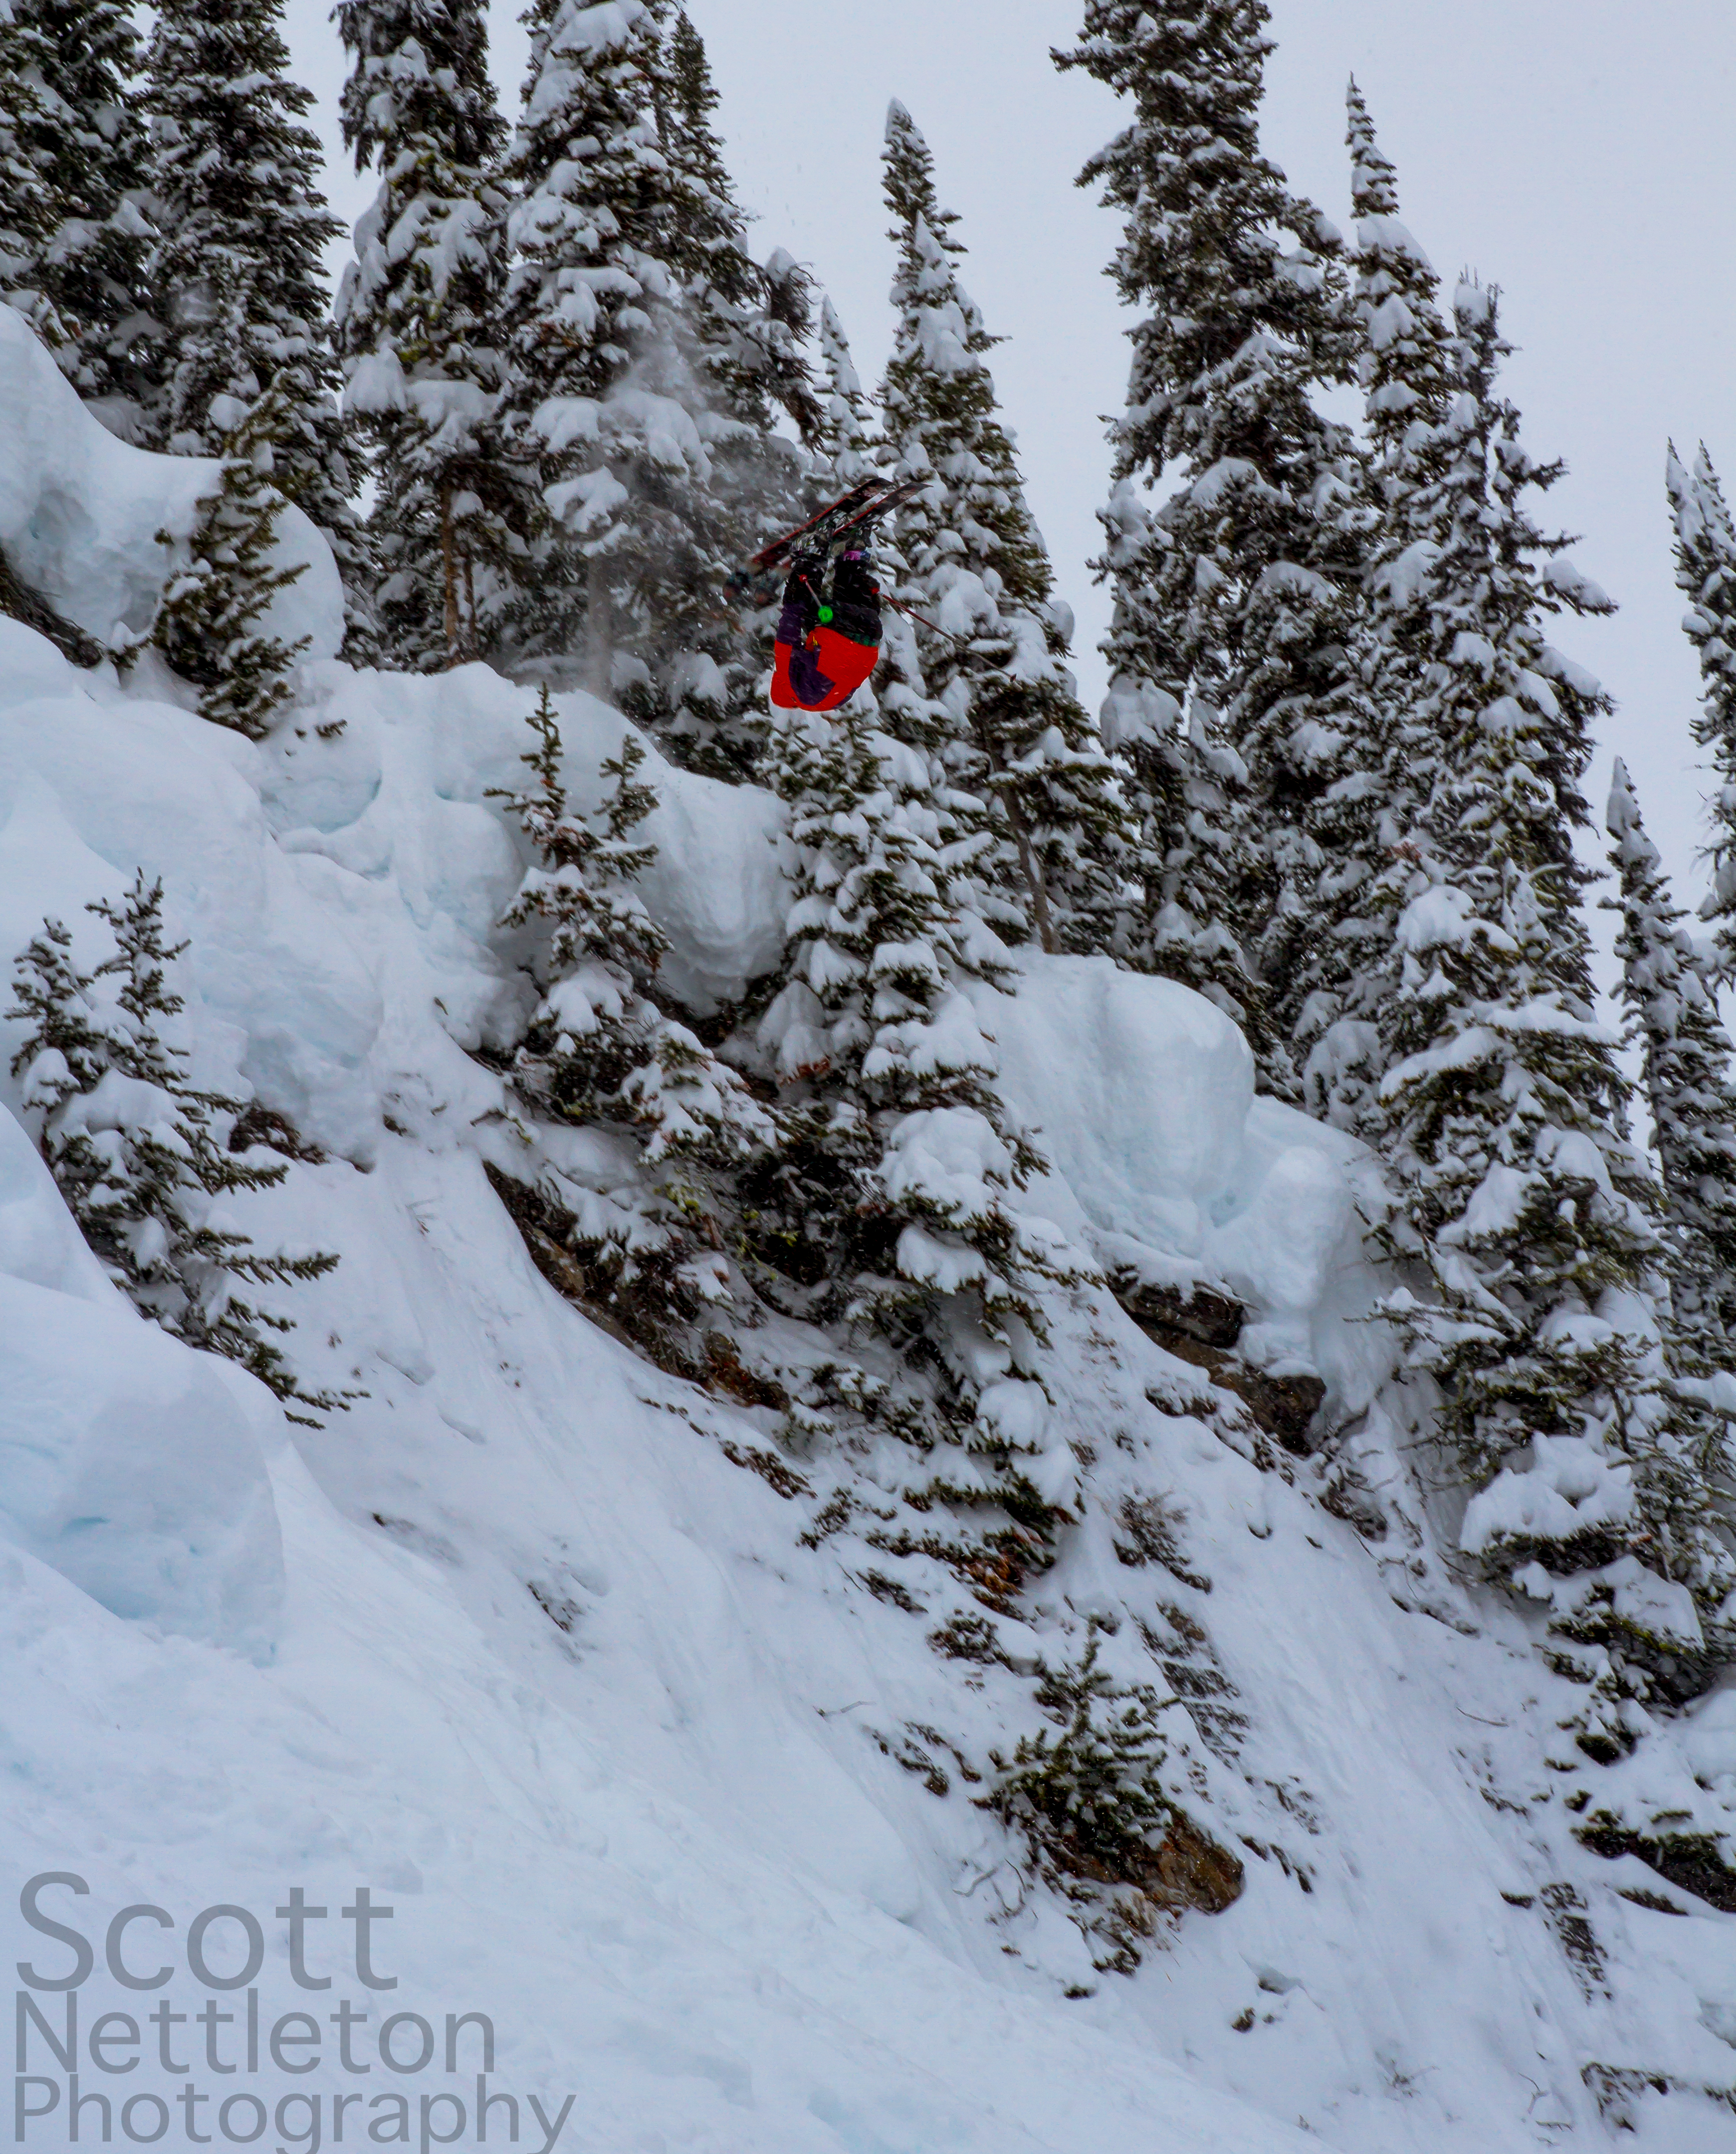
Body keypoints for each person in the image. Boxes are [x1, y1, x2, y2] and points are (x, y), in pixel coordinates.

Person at [770, 548, 882, 711]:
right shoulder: (789, 684)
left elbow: (838, 669)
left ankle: (853, 559)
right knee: (810, 609)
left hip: (871, 631)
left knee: (829, 618)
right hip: (844, 632)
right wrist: (794, 598)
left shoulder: (830, 701)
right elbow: (787, 638)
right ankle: (813, 561)